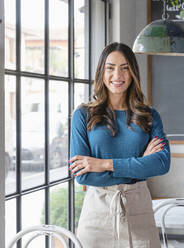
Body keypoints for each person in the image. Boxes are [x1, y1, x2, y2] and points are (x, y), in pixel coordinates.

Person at [69, 42, 170, 248]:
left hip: (138, 210)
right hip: (97, 214)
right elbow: (83, 174)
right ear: (101, 72)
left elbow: (161, 163)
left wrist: (104, 164)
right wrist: (140, 165)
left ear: (133, 72)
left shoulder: (149, 116)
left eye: (125, 68)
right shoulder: (82, 115)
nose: (118, 75)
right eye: (110, 67)